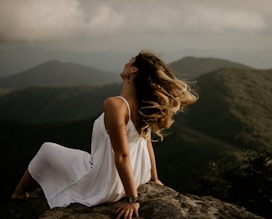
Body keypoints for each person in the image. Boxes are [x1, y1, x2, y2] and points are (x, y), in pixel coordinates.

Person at [11, 50, 198, 219]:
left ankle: (19, 194)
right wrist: (154, 178)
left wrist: (133, 199)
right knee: (81, 156)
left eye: (130, 61)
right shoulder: (145, 105)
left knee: (46, 149)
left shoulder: (115, 105)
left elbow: (122, 155)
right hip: (138, 175)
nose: (126, 62)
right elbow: (146, 143)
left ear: (134, 70)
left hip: (107, 184)